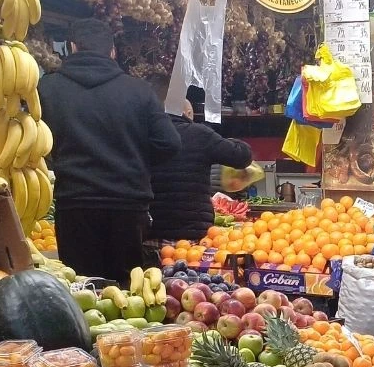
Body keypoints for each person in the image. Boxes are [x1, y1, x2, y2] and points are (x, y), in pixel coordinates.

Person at [39, 19, 180, 283]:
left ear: (72, 47)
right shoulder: (139, 90)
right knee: (129, 292)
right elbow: (170, 143)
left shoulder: (46, 89)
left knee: (82, 289)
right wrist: (136, 160)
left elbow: (35, 141)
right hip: (128, 205)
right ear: (112, 51)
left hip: (75, 205)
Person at [145, 81, 254, 260]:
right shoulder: (200, 134)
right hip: (192, 240)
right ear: (188, 113)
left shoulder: (142, 134)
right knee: (190, 283)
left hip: (149, 233)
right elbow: (242, 156)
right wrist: (231, 140)